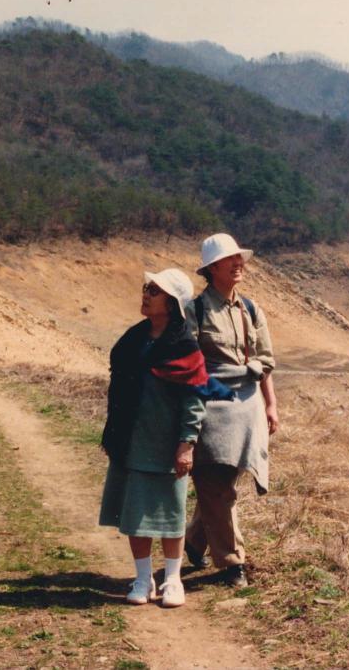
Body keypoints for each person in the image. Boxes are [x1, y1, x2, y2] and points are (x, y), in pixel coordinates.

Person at [99, 268, 208, 608]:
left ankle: (173, 580)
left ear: (173, 304)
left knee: (171, 516)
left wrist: (186, 443)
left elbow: (195, 400)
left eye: (155, 291)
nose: (146, 295)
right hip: (132, 442)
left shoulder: (185, 348)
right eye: (147, 288)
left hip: (166, 446)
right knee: (136, 515)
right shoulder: (133, 340)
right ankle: (143, 579)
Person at [184, 233, 279, 588]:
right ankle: (232, 563)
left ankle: (195, 541)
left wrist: (271, 403)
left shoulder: (251, 309)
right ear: (211, 269)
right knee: (217, 486)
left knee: (222, 482)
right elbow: (189, 367)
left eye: (240, 258)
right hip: (212, 408)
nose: (239, 264)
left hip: (248, 408)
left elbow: (265, 361)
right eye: (230, 259)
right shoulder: (194, 311)